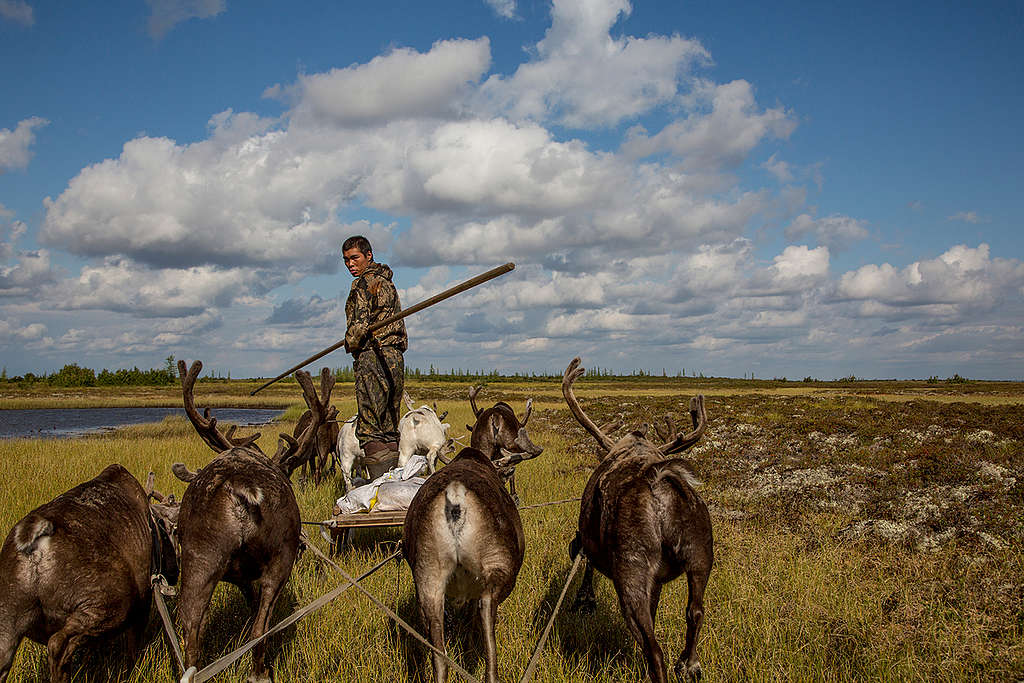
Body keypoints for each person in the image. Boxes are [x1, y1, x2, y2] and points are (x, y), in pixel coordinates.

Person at [342, 235, 407, 475]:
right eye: (346, 260)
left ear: (369, 256)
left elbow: (358, 328)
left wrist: (349, 343)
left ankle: (379, 489)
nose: (350, 264)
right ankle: (394, 482)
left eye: (354, 258)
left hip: (373, 356)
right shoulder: (388, 283)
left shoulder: (363, 285)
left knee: (370, 426)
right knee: (389, 426)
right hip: (395, 358)